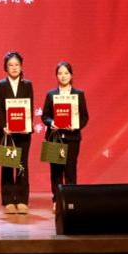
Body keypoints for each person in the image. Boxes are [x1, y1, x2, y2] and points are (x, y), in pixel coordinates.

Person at [41, 61, 90, 212]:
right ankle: (57, 200)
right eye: (60, 73)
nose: (63, 76)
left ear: (71, 75)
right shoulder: (51, 94)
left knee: (70, 170)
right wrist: (52, 122)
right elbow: (45, 116)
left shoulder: (78, 94)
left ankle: (70, 200)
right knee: (56, 171)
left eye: (66, 73)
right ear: (56, 76)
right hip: (55, 137)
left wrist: (76, 125)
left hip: (72, 138)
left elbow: (84, 117)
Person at [0, 51, 34, 215]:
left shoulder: (27, 85)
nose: (14, 68)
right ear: (6, 67)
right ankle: (8, 200)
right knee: (8, 165)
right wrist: (4, 126)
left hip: (23, 133)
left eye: (17, 64)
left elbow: (29, 107)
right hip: (6, 132)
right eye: (11, 65)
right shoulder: (0, 85)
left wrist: (26, 125)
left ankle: (22, 199)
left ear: (21, 66)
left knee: (22, 165)